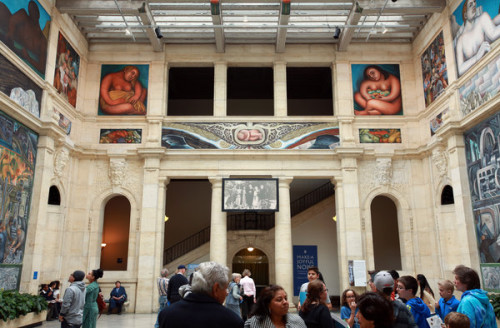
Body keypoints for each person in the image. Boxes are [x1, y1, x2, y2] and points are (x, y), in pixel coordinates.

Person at [158, 261, 243, 328]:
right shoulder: (231, 320)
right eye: (225, 288)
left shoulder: (166, 314)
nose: (226, 292)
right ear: (216, 288)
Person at [454, 0, 500, 77]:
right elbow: (460, 69)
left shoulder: (482, 18)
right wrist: (477, 57)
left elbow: (494, 33)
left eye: (474, 4)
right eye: (470, 5)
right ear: (465, 15)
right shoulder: (460, 40)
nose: (474, 6)